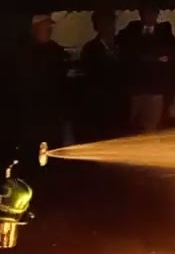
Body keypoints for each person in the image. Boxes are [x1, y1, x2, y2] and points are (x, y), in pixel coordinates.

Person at [11, 15, 72, 157]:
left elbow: (60, 83)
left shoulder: (54, 51)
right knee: (32, 154)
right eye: (45, 26)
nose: (49, 29)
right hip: (31, 119)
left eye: (50, 26)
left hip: (52, 117)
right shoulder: (23, 53)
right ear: (34, 28)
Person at [117, 5, 175, 133]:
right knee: (132, 125)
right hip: (136, 87)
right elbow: (129, 55)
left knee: (151, 124)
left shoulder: (164, 31)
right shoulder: (131, 31)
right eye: (146, 14)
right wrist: (154, 58)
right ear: (141, 15)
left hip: (156, 87)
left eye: (152, 14)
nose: (149, 17)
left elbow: (173, 51)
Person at [78, 9, 124, 141]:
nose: (110, 28)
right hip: (100, 102)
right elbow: (91, 74)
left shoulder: (121, 45)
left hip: (119, 100)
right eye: (105, 24)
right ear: (97, 27)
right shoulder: (91, 49)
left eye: (111, 23)